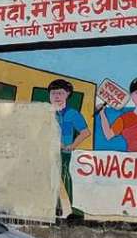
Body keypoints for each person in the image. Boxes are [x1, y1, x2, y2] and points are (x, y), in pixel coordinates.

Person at [48, 78, 90, 217]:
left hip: (63, 153)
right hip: (46, 151)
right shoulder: (45, 112)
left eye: (60, 93)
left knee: (64, 177)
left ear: (67, 94)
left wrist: (72, 146)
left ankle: (65, 207)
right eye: (53, 93)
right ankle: (51, 206)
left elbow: (85, 132)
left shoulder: (72, 114)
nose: (56, 97)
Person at [98, 79, 137, 151]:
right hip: (132, 159)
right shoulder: (125, 119)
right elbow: (109, 135)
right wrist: (102, 113)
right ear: (132, 96)